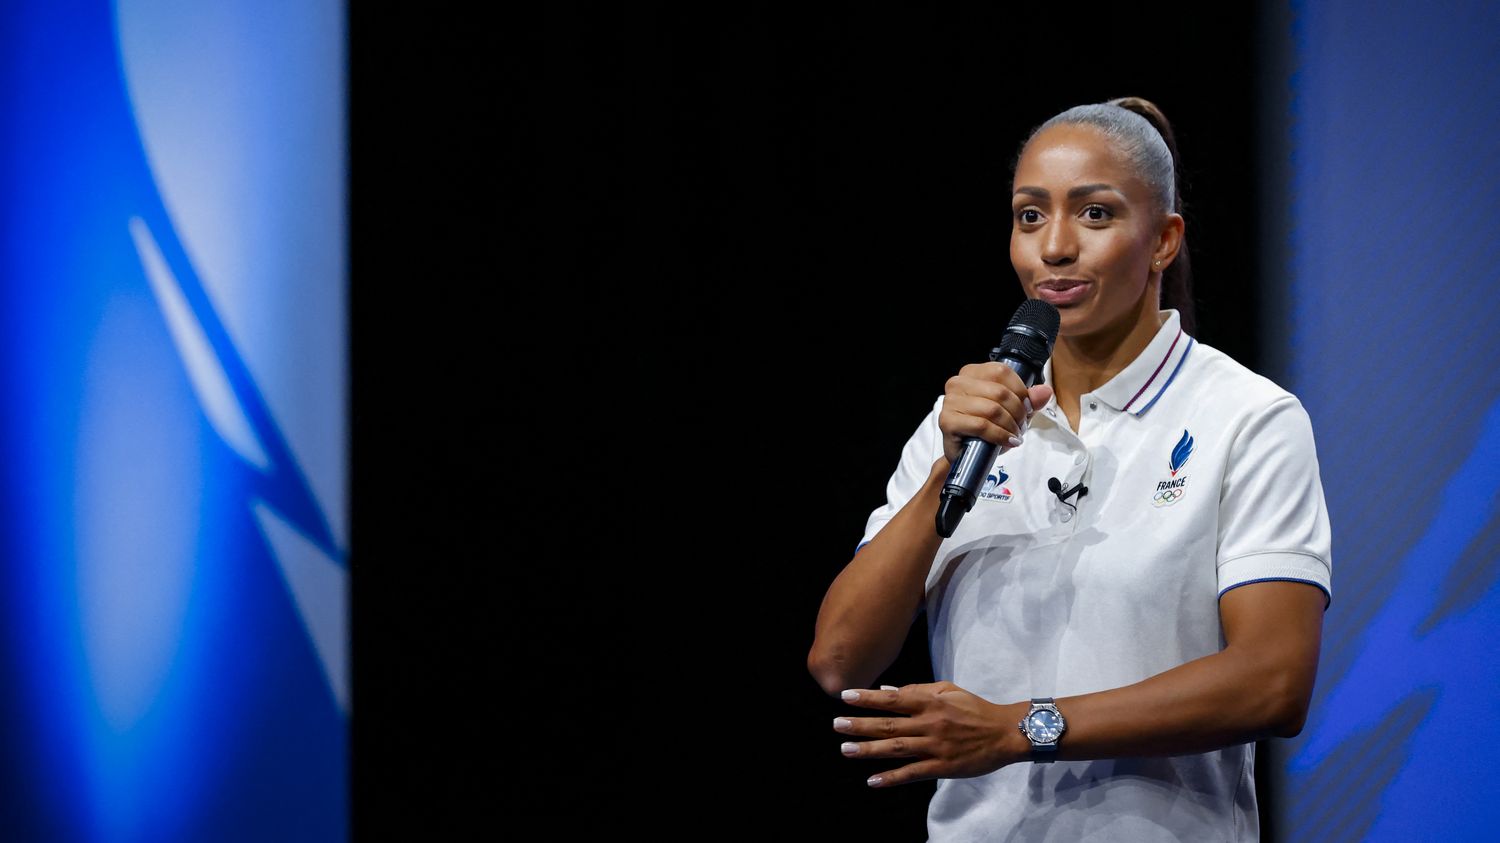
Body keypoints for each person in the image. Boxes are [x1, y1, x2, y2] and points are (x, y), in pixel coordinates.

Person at [806, 97, 1331, 842]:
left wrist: (1022, 728)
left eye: (1094, 214)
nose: (1053, 248)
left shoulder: (1248, 416)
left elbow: (1274, 681)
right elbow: (838, 657)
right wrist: (941, 477)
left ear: (1163, 240)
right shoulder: (964, 418)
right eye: (1029, 215)